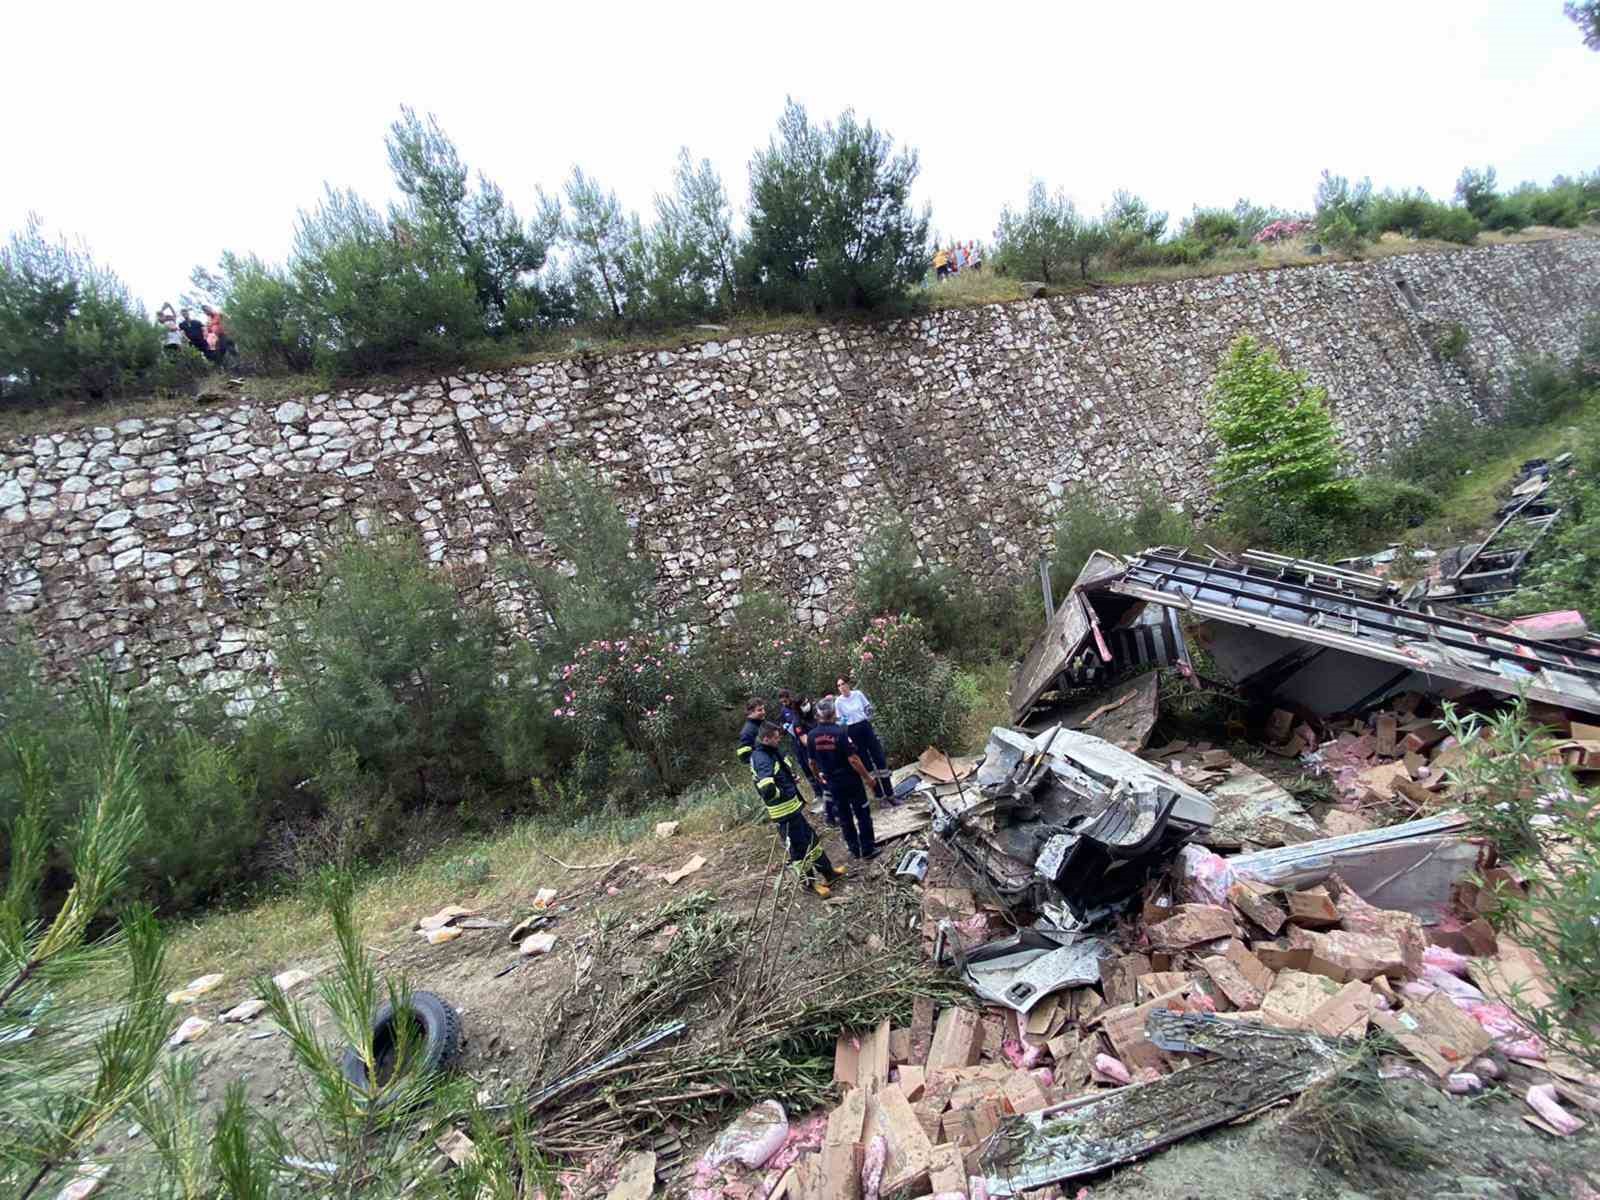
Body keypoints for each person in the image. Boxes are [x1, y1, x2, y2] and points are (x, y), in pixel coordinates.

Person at [750, 721, 845, 897]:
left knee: (811, 841)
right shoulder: (761, 758)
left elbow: (779, 773)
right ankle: (809, 885)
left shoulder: (770, 751)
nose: (779, 740)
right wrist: (785, 792)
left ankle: (828, 873)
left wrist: (790, 779)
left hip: (793, 809)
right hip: (784, 813)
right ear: (766, 738)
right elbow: (766, 788)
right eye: (776, 738)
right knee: (798, 851)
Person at [807, 697, 878, 861]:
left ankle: (854, 849)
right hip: (850, 780)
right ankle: (868, 849)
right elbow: (853, 759)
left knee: (844, 817)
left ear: (818, 715)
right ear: (833, 713)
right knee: (862, 813)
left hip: (832, 782)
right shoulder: (840, 732)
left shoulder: (811, 736)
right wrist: (867, 778)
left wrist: (819, 776)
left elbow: (811, 762)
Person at [835, 675, 893, 802]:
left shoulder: (858, 694)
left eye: (843, 684)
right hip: (852, 730)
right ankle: (880, 796)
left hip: (865, 726)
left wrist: (868, 716)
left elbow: (868, 708)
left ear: (848, 684)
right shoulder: (838, 702)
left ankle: (890, 793)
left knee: (879, 758)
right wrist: (846, 736)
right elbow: (841, 721)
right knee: (866, 762)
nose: (841, 687)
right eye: (839, 685)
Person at [779, 688, 832, 826]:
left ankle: (832, 806)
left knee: (827, 777)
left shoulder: (811, 714)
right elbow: (804, 739)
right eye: (804, 703)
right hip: (809, 750)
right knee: (819, 776)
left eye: (807, 702)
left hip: (820, 750)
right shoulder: (796, 720)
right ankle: (829, 811)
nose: (807, 704)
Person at [736, 696, 766, 767]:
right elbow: (743, 756)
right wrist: (762, 759)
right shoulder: (747, 731)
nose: (763, 712)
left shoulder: (763, 723)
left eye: (763, 709)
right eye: (760, 710)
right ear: (750, 712)